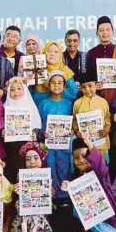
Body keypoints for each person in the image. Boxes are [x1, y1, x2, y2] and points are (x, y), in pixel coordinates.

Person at [61, 132, 116, 232]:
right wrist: (68, 187)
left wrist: (88, 142)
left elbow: (99, 162)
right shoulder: (78, 176)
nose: (81, 160)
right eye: (76, 158)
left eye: (84, 156)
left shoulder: (100, 173)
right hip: (90, 216)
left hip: (106, 218)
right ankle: (86, 230)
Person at [38, 72, 73, 203]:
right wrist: (43, 133)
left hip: (65, 143)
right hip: (49, 144)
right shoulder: (43, 104)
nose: (56, 85)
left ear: (64, 86)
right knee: (50, 165)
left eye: (60, 83)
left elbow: (74, 122)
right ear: (48, 85)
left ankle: (64, 194)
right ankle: (53, 194)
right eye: (53, 83)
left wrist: (72, 131)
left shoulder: (69, 103)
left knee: (64, 166)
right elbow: (39, 122)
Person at [11, 142, 54, 232]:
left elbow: (49, 190)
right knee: (22, 207)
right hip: (26, 202)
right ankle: (25, 231)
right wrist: (17, 190)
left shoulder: (46, 173)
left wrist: (51, 192)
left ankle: (39, 231)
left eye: (36, 158)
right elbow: (19, 190)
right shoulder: (21, 175)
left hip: (40, 202)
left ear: (42, 159)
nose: (32, 162)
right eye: (28, 159)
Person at [2, 77, 41, 183]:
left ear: (24, 90)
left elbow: (36, 124)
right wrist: (3, 132)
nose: (16, 92)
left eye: (19, 88)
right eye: (12, 90)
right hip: (11, 146)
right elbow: (1, 125)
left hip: (26, 144)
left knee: (26, 167)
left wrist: (34, 133)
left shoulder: (30, 106)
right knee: (13, 168)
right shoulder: (5, 107)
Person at [73, 69, 111, 161]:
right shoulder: (77, 103)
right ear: (81, 88)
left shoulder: (103, 102)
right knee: (86, 163)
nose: (87, 89)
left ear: (96, 85)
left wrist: (107, 128)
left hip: (101, 141)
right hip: (84, 144)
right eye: (83, 87)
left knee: (101, 165)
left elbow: (107, 118)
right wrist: (76, 130)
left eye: (90, 86)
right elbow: (74, 120)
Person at [31, 41, 78, 106]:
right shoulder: (36, 69)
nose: (52, 54)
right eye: (49, 51)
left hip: (61, 111)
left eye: (56, 52)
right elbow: (28, 93)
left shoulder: (66, 71)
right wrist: (26, 82)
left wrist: (51, 86)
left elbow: (73, 94)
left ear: (60, 55)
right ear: (44, 53)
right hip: (39, 110)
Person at [86, 16, 116, 104]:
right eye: (101, 30)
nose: (105, 33)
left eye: (108, 29)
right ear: (97, 33)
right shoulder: (91, 53)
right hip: (97, 94)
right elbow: (88, 76)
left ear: (112, 31)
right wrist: (95, 84)